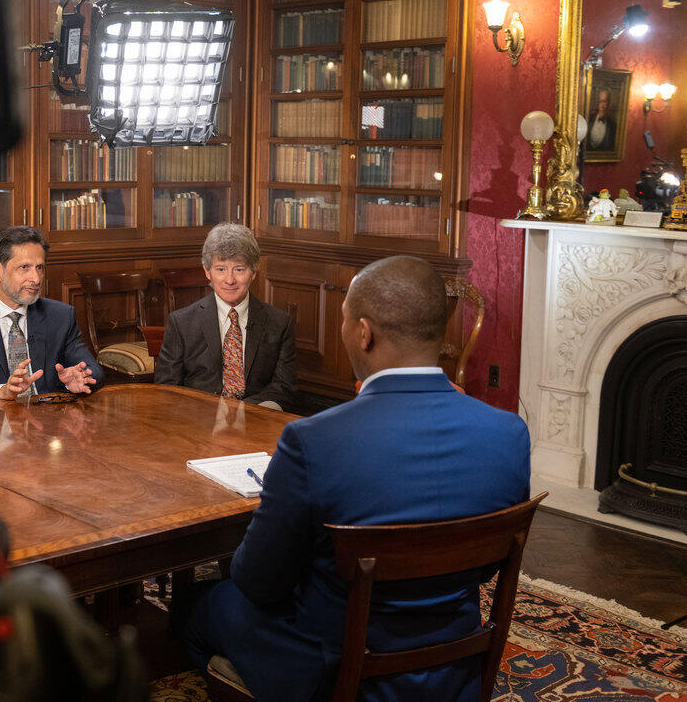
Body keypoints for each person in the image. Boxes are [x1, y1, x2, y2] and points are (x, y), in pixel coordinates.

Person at [174, 255, 530, 702]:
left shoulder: (313, 440)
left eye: (343, 321)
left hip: (337, 667)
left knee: (196, 608)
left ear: (363, 332)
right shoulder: (510, 433)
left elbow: (257, 582)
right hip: (455, 665)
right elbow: (485, 570)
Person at [0, 226, 103, 404]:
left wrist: (78, 379)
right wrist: (2, 391)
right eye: (25, 267)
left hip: (49, 423)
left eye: (39, 267)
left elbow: (93, 370)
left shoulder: (61, 315)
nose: (36, 278)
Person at [154, 223, 296, 411]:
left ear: (253, 272)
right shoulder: (181, 323)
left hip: (256, 418)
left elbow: (284, 387)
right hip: (198, 421)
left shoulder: (279, 323)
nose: (229, 280)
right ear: (207, 271)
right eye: (220, 269)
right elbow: (167, 388)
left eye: (239, 269)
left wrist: (240, 413)